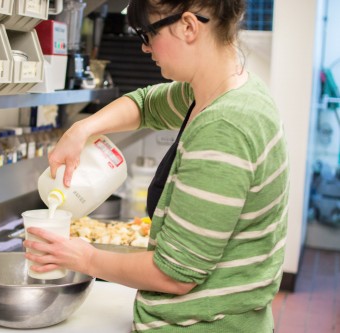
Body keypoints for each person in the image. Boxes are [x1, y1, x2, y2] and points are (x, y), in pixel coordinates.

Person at [24, 0, 289, 331]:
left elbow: (176, 274)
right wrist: (82, 129)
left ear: (188, 26)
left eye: (147, 33)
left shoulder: (225, 126)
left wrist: (85, 258)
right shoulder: (223, 91)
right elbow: (145, 104)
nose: (145, 47)